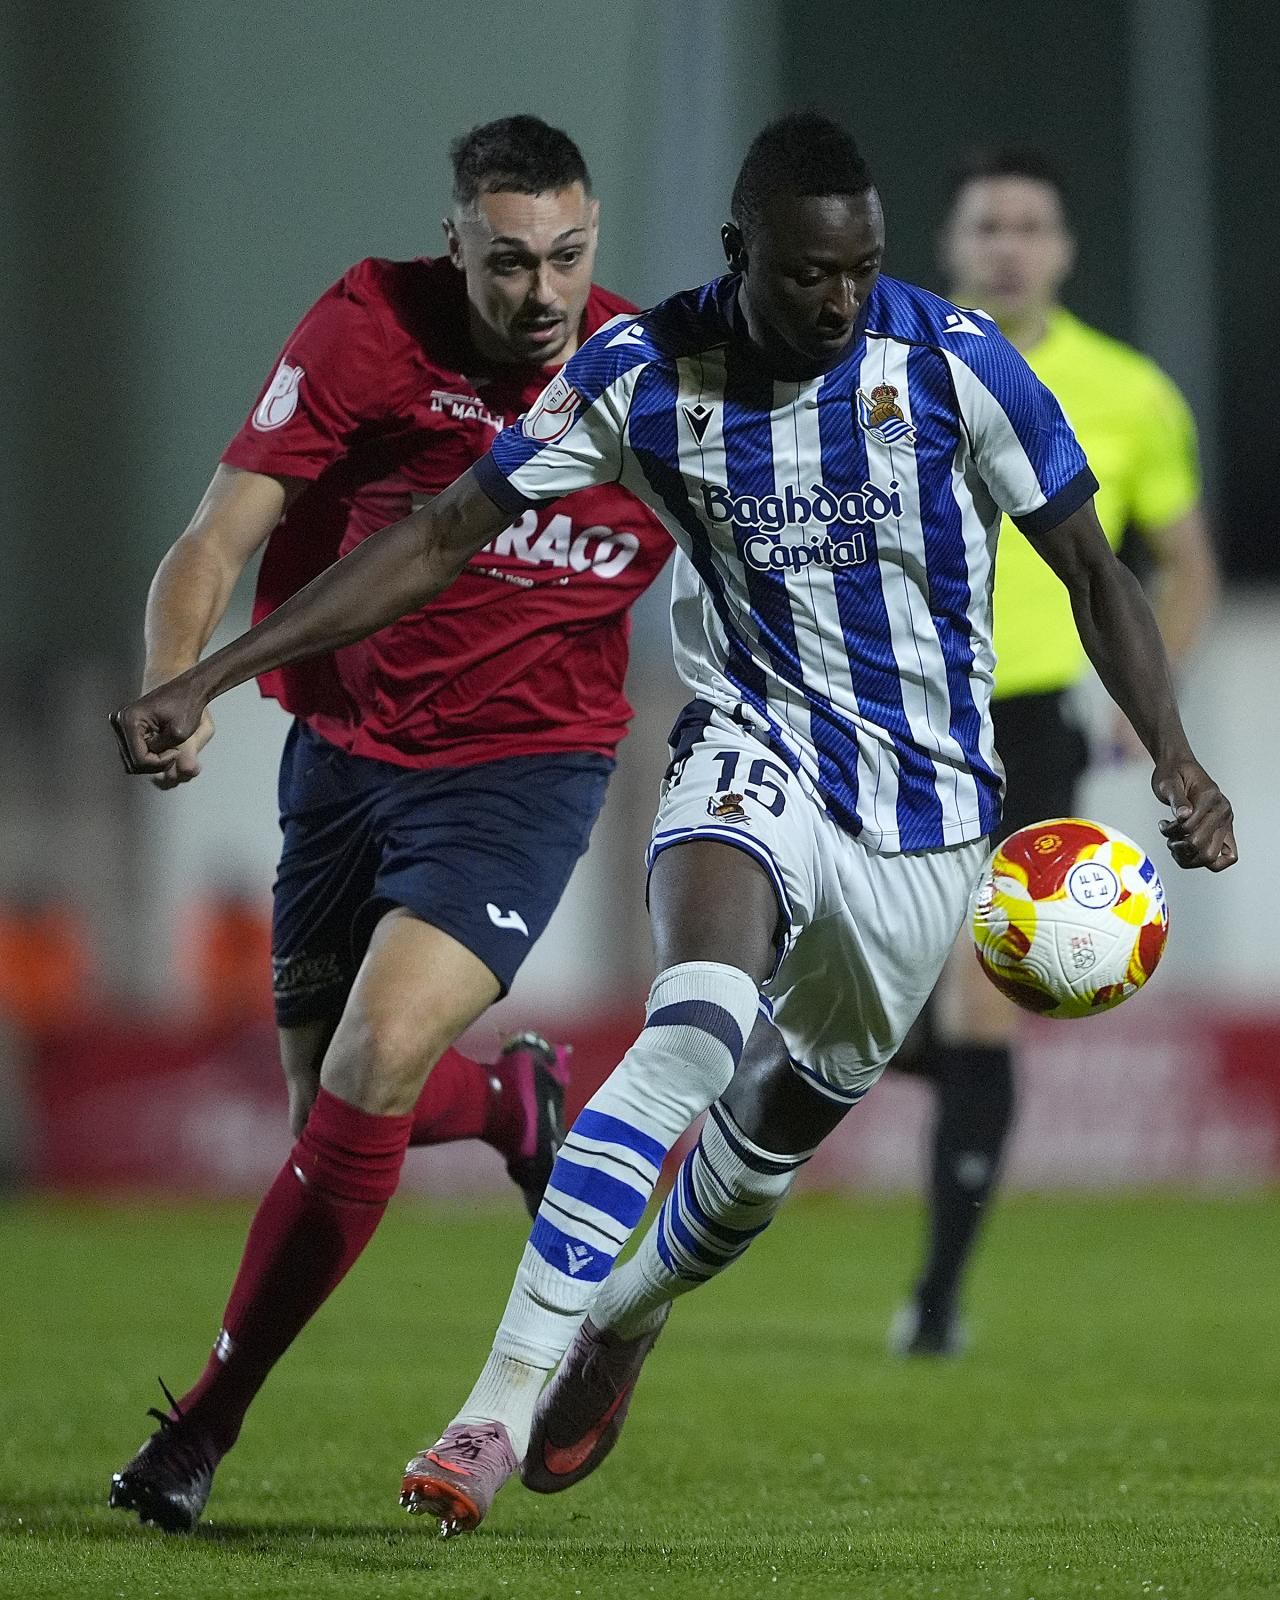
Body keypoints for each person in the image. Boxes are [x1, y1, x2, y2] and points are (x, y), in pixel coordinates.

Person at [112, 112, 1236, 1536]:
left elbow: (1093, 561)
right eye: (810, 273)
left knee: (764, 1154)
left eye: (863, 269)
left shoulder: (953, 361)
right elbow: (442, 535)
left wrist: (1179, 756)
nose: (840, 300)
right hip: (745, 752)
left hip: (929, 818)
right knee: (687, 1028)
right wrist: (215, 672)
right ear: (741, 254)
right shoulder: (644, 376)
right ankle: (488, 1417)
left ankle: (624, 1318)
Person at [107, 114, 673, 1534]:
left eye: (566, 257)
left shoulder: (648, 385)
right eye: (506, 262)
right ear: (455, 245)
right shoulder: (369, 326)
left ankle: (200, 1431)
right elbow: (216, 537)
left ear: (593, 238)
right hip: (347, 763)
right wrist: (177, 680)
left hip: (525, 772)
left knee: (368, 1057)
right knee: (329, 1116)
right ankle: (511, 1103)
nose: (540, 292)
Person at [885, 148, 1220, 1358]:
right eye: (989, 225)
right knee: (858, 979)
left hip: (1029, 720)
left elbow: (1184, 562)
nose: (1009, 244)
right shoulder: (897, 364)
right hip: (895, 707)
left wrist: (1146, 692)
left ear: (1063, 251)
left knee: (988, 998)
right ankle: (886, 1044)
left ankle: (933, 1300)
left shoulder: (1129, 391)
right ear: (952, 245)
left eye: (1031, 224)